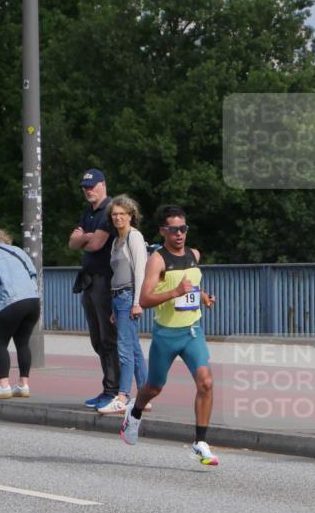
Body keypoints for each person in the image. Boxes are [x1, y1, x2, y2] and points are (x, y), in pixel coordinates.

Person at [120, 205, 218, 465]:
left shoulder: (194, 254)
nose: (179, 234)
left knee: (206, 383)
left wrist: (203, 297)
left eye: (183, 229)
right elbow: (145, 298)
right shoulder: (158, 260)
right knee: (154, 387)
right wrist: (175, 292)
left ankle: (201, 442)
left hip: (192, 331)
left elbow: (192, 284)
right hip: (166, 335)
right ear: (163, 231)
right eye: (173, 229)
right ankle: (135, 412)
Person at [69, 168, 119, 410]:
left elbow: (96, 244)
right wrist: (84, 238)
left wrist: (84, 238)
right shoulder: (88, 212)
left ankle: (115, 390)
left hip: (105, 281)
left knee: (109, 337)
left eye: (92, 186)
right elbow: (72, 243)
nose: (88, 190)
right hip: (89, 281)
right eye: (84, 187)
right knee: (97, 339)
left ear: (103, 185)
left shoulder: (110, 210)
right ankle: (108, 388)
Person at [98, 195, 149, 415]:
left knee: (124, 348)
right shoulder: (116, 240)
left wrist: (138, 302)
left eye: (122, 214)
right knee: (134, 348)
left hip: (129, 296)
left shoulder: (133, 237)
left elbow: (140, 271)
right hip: (118, 297)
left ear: (130, 215)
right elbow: (115, 274)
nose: (118, 218)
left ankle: (122, 396)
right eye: (114, 214)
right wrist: (113, 309)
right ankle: (146, 396)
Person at [0, 226, 40, 400]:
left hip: (10, 302)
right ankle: (23, 385)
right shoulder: (18, 251)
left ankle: (4, 386)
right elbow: (33, 275)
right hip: (33, 301)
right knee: (22, 343)